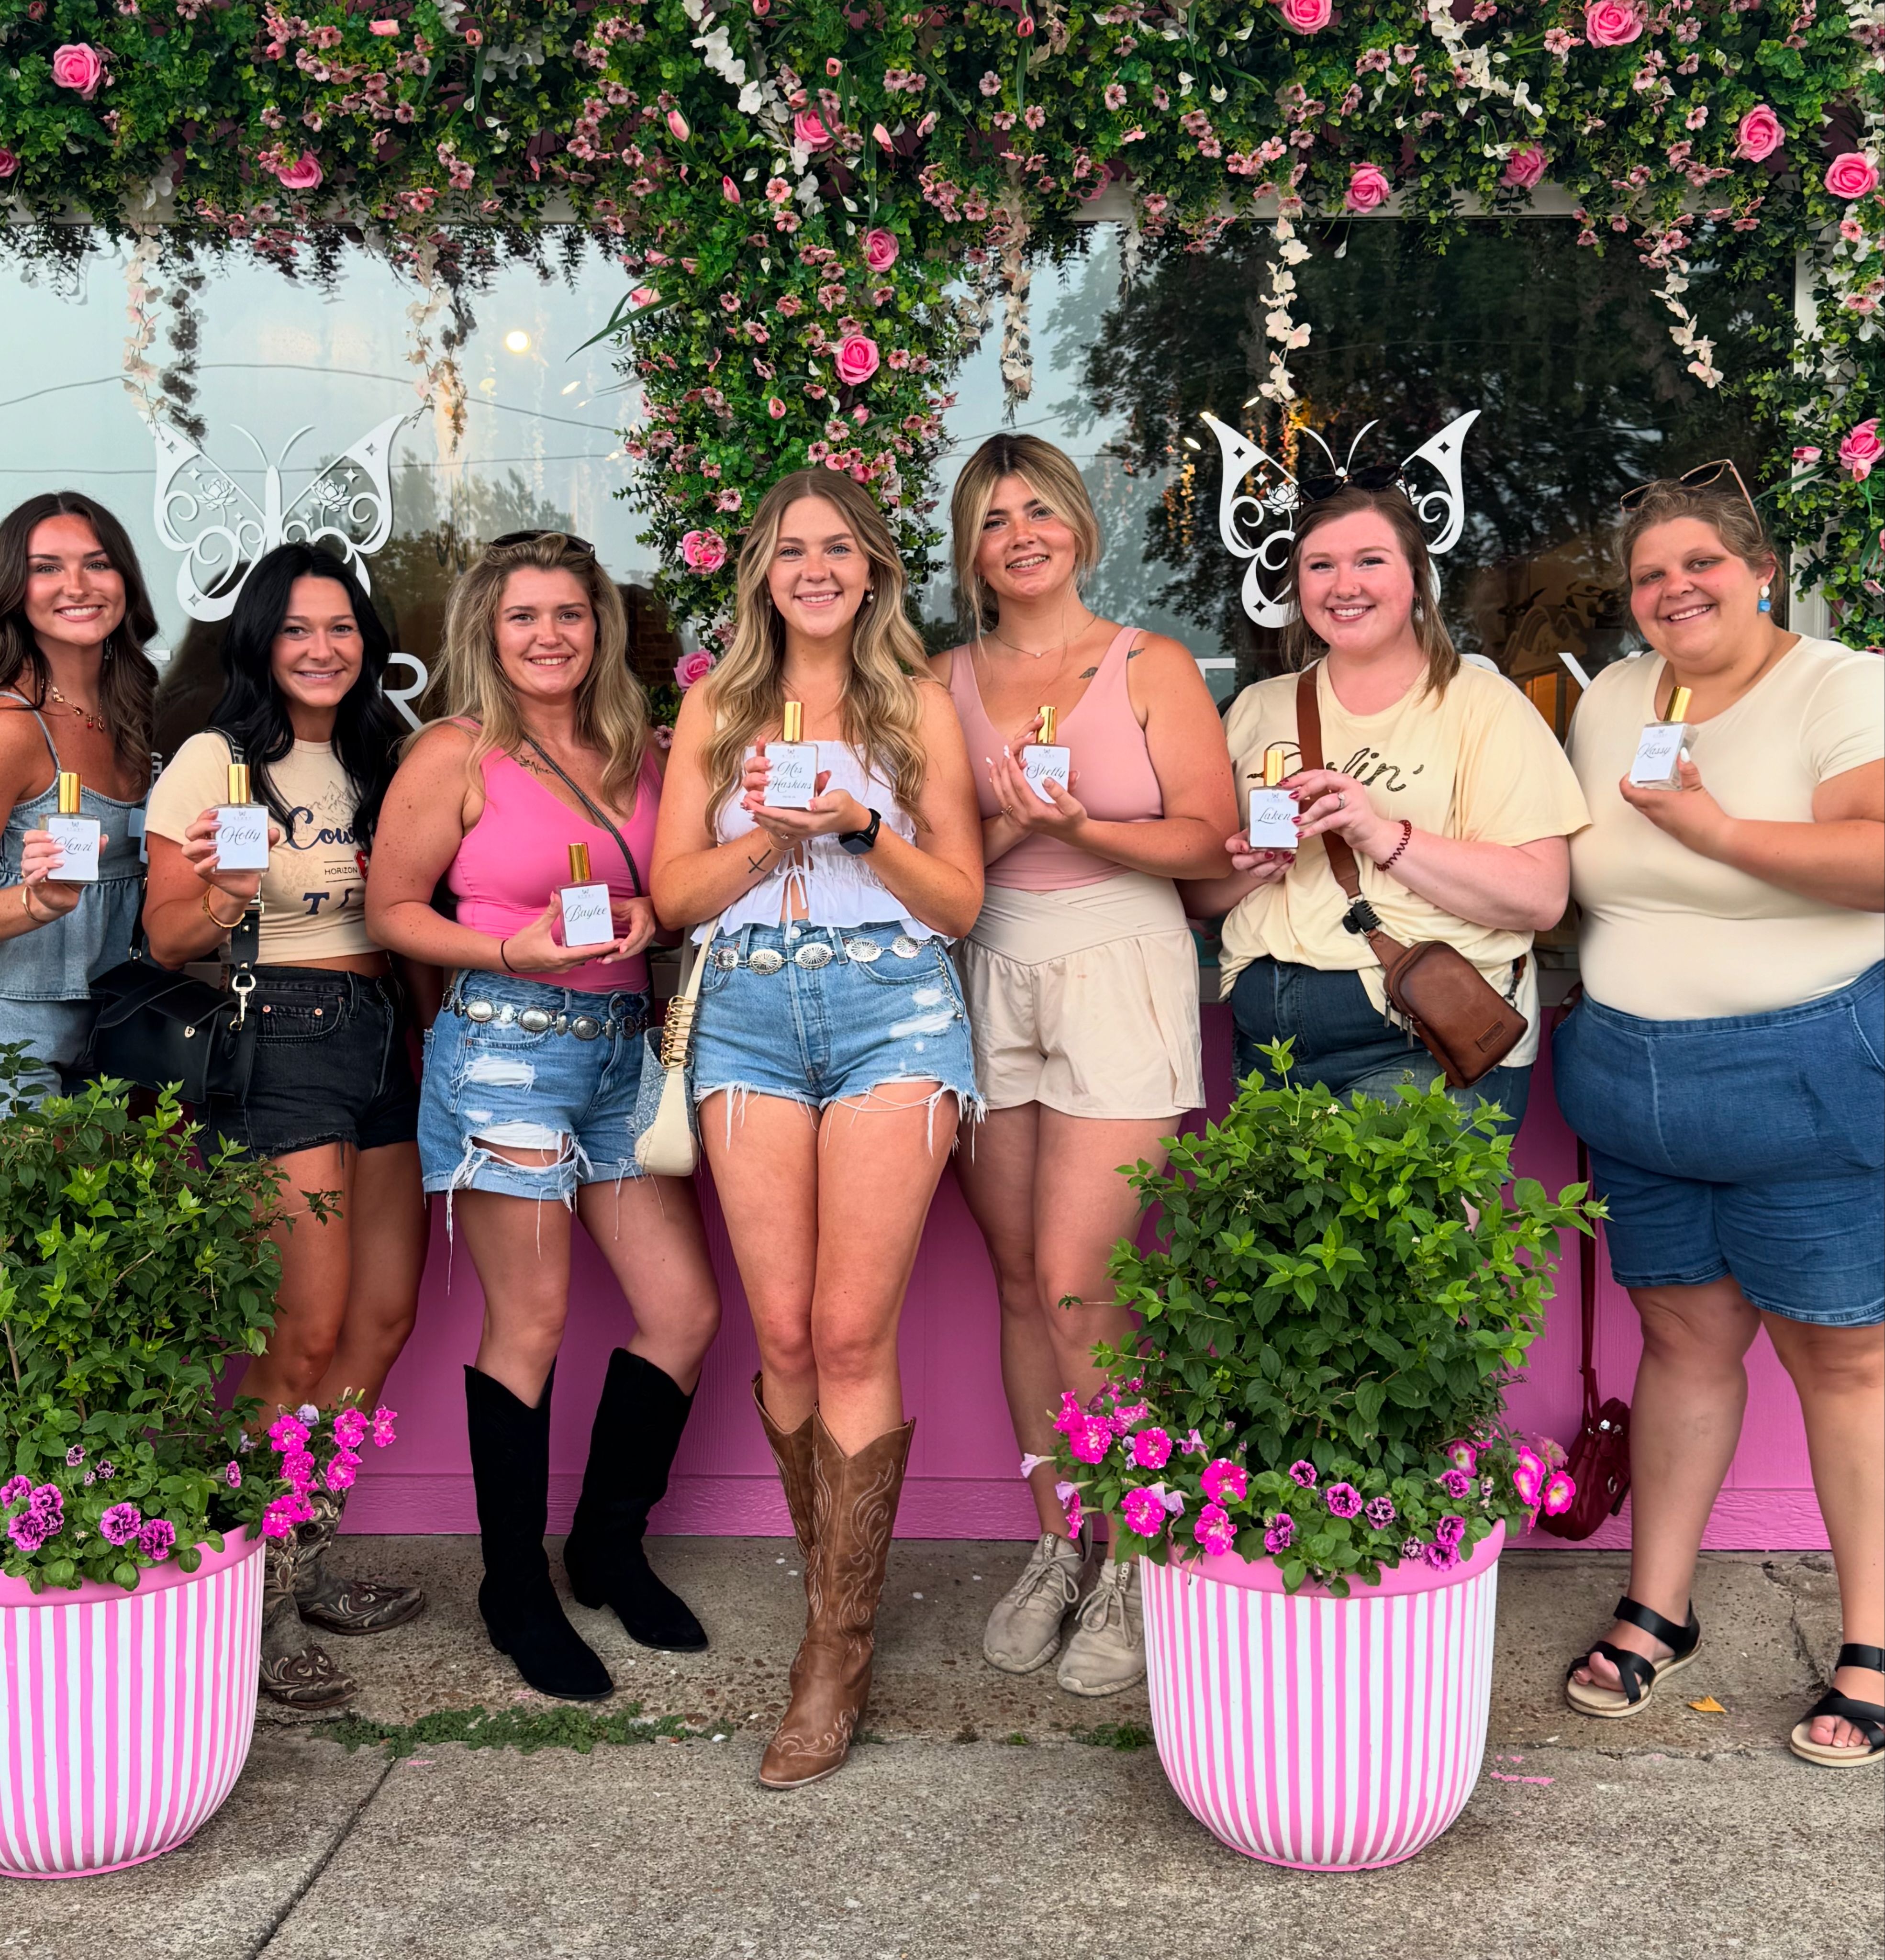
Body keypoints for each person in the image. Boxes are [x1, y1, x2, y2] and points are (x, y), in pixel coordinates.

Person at [651, 470, 982, 1788]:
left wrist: (855, 824)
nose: (814, 567)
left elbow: (957, 899)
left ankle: (832, 1653)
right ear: (762, 574)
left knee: (850, 1332)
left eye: (836, 546)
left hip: (892, 1008)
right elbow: (675, 894)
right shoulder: (716, 708)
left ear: (872, 568)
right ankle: (826, 1603)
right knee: (782, 1330)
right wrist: (766, 841)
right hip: (742, 1010)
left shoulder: (916, 705)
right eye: (790, 549)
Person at [1555, 472, 1884, 1768]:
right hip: (1635, 1083)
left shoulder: (1840, 683)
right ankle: (1660, 1609)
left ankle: (1868, 1641)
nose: (1672, 590)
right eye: (1647, 576)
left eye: (1698, 564)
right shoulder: (1614, 700)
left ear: (1759, 569)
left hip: (1798, 1071)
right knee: (1681, 1341)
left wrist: (1714, 827)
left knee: (1842, 1357)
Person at [366, 531, 722, 1704]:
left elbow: (674, 899)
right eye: (524, 617)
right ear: (488, 631)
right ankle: (511, 1585)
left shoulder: (644, 752)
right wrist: (505, 946)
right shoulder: (454, 753)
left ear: (599, 627)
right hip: (506, 1050)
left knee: (681, 1311)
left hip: (624, 1051)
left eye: (569, 613)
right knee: (533, 1321)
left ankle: (605, 1548)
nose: (549, 636)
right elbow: (393, 912)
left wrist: (648, 924)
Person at [932, 434, 1237, 1696]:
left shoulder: (1148, 662)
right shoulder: (939, 677)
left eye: (1040, 510)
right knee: (1014, 1276)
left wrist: (1079, 826)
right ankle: (1059, 1538)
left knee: (1080, 1284)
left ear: (1079, 527)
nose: (1021, 533)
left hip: (1118, 952)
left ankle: (1134, 1551)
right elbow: (935, 861)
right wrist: (1012, 822)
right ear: (972, 547)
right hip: (985, 959)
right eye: (995, 517)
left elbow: (1208, 838)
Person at [144, 542, 430, 1710]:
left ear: (368, 643)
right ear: (260, 641)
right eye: (298, 629)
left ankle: (304, 1556)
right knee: (299, 1342)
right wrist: (226, 888)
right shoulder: (217, 761)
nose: (322, 649)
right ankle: (246, 1614)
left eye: (342, 628)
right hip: (284, 1038)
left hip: (383, 1036)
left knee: (382, 1318)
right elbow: (166, 939)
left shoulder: (384, 756)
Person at [1180, 482, 1588, 1132]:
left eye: (1369, 560)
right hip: (1270, 1049)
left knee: (1402, 1237)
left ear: (1416, 576)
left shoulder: (1482, 706)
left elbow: (1539, 897)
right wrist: (1247, 869)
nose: (1344, 585)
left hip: (1420, 1041)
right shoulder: (1259, 708)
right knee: (1287, 1238)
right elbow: (1196, 900)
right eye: (1320, 566)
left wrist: (1375, 832)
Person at [0, 493, 157, 1109]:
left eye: (97, 563)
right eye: (46, 567)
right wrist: (35, 902)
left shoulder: (132, 715)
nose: (76, 585)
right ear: (14, 585)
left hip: (119, 1034)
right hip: (16, 1039)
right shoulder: (12, 728)